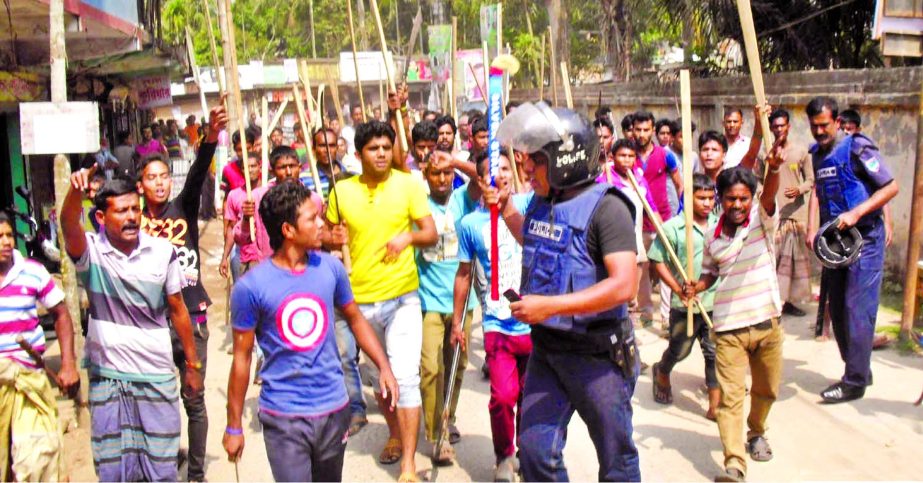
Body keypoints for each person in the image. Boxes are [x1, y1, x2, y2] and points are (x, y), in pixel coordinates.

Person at [494, 103, 641, 481]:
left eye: (535, 161)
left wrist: (550, 306)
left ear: (564, 159)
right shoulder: (545, 202)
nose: (526, 168)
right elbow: (532, 240)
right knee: (536, 454)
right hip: (548, 351)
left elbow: (625, 284)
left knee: (616, 460)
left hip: (598, 357)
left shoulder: (610, 209)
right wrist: (507, 207)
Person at [223, 181, 398, 482]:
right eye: (312, 218)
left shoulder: (331, 268)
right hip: (284, 417)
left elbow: (355, 319)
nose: (321, 224)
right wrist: (234, 425)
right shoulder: (250, 287)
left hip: (334, 410)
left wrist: (384, 367)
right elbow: (241, 359)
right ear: (288, 230)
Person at [61, 173, 203, 481]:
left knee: (162, 468)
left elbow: (178, 309)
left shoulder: (162, 252)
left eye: (135, 210)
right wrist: (75, 193)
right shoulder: (91, 253)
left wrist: (192, 364)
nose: (131, 217)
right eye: (121, 211)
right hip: (108, 381)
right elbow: (69, 224)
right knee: (113, 470)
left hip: (156, 377)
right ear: (100, 217)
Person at [325, 120, 437, 481]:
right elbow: (325, 236)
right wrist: (332, 236)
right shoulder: (341, 191)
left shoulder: (408, 184)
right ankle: (393, 432)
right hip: (359, 303)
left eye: (387, 147)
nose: (382, 154)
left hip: (402, 297)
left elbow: (430, 232)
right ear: (358, 154)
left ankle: (408, 463)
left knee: (404, 378)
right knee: (380, 379)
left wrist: (407, 238)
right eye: (374, 149)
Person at [135, 103, 223, 482]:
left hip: (192, 318)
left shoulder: (182, 207)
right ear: (140, 185)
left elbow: (199, 172)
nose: (159, 182)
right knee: (155, 399)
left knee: (195, 397)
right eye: (151, 178)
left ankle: (197, 475)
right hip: (149, 323)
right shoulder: (131, 222)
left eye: (163, 177)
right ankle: (165, 460)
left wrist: (212, 138)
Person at [683, 156, 785, 482]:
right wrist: (696, 287)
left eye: (743, 197)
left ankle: (756, 432)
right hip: (728, 329)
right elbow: (710, 275)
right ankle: (734, 465)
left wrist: (776, 168)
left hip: (767, 323)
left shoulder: (761, 221)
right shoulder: (712, 238)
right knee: (730, 399)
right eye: (731, 198)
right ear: (720, 198)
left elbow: (769, 194)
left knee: (767, 389)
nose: (738, 204)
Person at [805, 96, 899, 403]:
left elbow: (890, 187)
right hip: (836, 245)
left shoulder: (858, 147)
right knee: (839, 312)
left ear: (836, 122)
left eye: (824, 125)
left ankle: (855, 381)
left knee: (857, 309)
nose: (819, 131)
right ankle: (858, 369)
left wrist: (857, 213)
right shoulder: (817, 156)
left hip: (866, 239)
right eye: (814, 126)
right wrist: (816, 232)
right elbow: (821, 198)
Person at [452, 151, 533, 481]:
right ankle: (504, 455)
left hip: (534, 321)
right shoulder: (470, 223)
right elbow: (463, 273)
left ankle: (529, 452)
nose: (499, 176)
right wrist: (457, 322)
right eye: (490, 172)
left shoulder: (529, 206)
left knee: (532, 395)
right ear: (480, 180)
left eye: (504, 170)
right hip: (497, 323)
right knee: (502, 396)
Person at [0, 211, 78, 481]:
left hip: (29, 381)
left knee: (37, 459)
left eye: (9, 235)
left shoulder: (32, 272)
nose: (6, 242)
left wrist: (68, 364)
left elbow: (61, 314)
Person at [416, 151, 478, 465]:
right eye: (434, 173)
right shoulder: (418, 206)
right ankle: (435, 433)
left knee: (457, 363)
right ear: (425, 176)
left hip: (462, 301)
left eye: (446, 173)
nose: (441, 179)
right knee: (430, 368)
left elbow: (484, 177)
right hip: (427, 301)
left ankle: (447, 414)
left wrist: (453, 161)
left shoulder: (462, 199)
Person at [649, 173, 720, 420]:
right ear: (688, 198)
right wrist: (677, 288)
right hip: (684, 304)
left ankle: (714, 406)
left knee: (714, 353)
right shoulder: (672, 228)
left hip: (713, 302)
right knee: (680, 349)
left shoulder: (719, 224)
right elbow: (657, 260)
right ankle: (662, 372)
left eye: (711, 198)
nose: (707, 203)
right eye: (701, 198)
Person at [633, 111, 682, 326]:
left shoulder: (665, 155)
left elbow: (680, 184)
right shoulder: (627, 154)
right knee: (641, 271)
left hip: (663, 220)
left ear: (652, 130)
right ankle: (645, 314)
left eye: (646, 130)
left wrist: (680, 212)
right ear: (632, 130)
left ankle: (666, 317)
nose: (642, 134)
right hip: (636, 224)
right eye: (638, 129)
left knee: (665, 270)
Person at [764, 108, 814, 317]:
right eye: (774, 127)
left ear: (788, 127)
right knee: (771, 260)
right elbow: (759, 180)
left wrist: (799, 189)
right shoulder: (766, 153)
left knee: (793, 262)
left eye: (782, 126)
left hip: (795, 214)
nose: (778, 130)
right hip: (774, 215)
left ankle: (790, 302)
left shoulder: (802, 152)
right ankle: (772, 303)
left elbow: (811, 180)